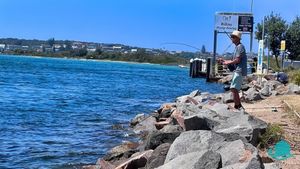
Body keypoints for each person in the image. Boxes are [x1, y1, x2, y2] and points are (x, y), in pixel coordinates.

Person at [219, 30, 247, 110]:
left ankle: (239, 106)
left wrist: (227, 63)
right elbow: (233, 61)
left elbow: (237, 60)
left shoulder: (240, 47)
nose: (232, 38)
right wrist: (224, 61)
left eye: (233, 37)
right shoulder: (237, 47)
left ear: (238, 38)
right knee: (233, 88)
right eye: (231, 37)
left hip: (239, 70)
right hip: (237, 70)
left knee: (234, 88)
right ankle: (237, 105)